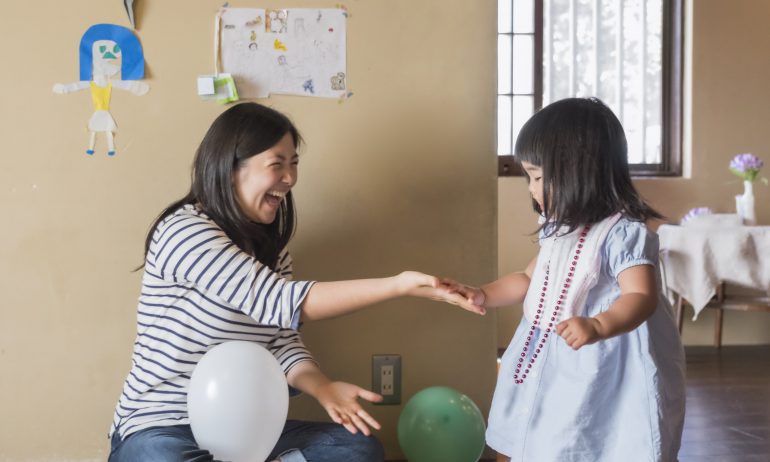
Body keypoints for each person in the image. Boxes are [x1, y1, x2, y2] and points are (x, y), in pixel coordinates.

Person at [107, 102, 483, 462]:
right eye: (277, 164)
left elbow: (281, 339)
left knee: (358, 448)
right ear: (230, 169)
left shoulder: (273, 250)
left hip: (248, 430)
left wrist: (323, 388)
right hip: (161, 427)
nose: (290, 178)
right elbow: (281, 301)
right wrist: (397, 285)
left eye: (294, 163)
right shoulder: (184, 230)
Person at [444, 98, 686, 461]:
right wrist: (483, 294)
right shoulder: (558, 230)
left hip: (603, 355)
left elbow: (641, 296)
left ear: (579, 171)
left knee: (593, 433)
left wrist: (599, 324)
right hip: (552, 348)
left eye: (538, 177)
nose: (531, 188)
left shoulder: (621, 234)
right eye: (529, 178)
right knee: (548, 431)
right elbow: (529, 278)